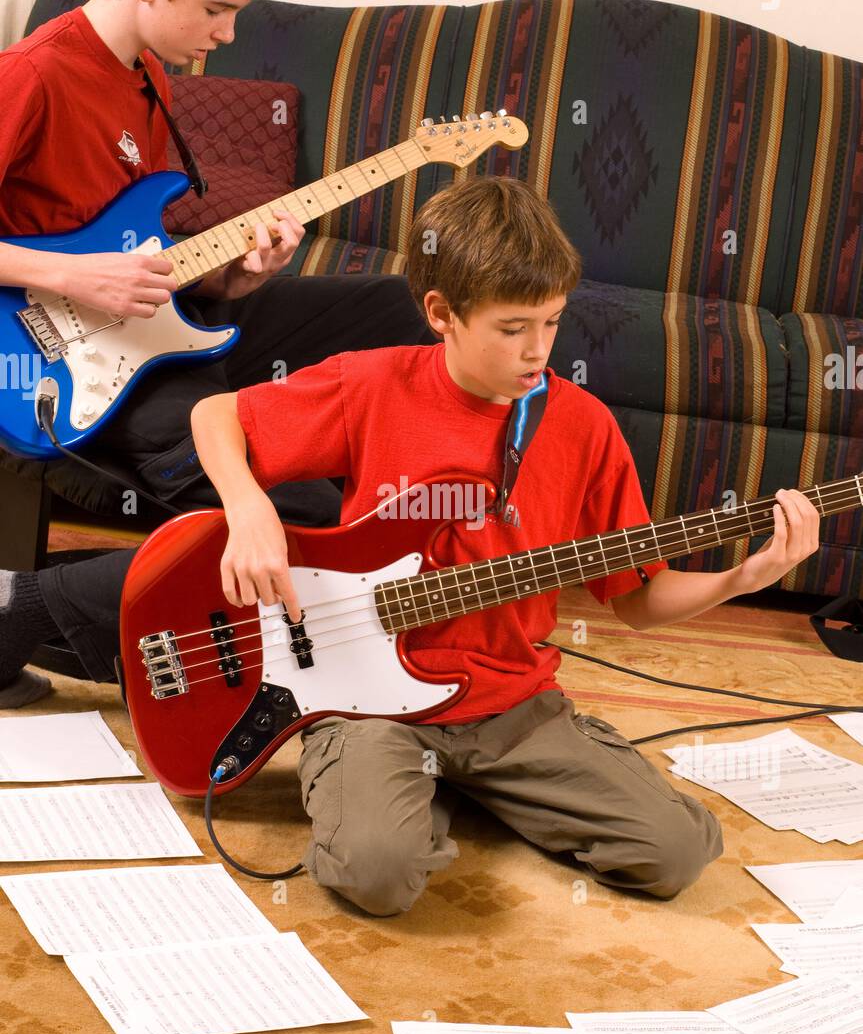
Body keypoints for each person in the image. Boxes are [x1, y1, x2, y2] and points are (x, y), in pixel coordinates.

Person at [180, 176, 818, 916]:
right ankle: (414, 793)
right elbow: (214, 415)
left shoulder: (583, 427)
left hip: (510, 705)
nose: (537, 350)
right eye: (512, 328)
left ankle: (465, 788)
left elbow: (639, 602)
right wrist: (247, 506)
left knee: (671, 855)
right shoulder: (373, 385)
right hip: (368, 706)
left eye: (551, 322)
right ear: (442, 314)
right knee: (374, 876)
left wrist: (742, 578)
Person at [0, 0, 430, 707]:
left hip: (157, 320)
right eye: (218, 9)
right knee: (293, 501)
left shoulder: (149, 75)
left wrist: (237, 276)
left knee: (390, 306)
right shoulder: (34, 73)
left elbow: (146, 241)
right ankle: (27, 614)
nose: (227, 34)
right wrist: (70, 274)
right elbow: (93, 266)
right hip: (58, 357)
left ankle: (415, 547)